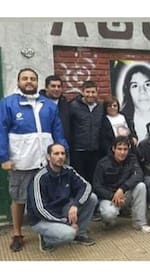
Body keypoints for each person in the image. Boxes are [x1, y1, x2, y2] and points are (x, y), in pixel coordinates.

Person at [0, 68, 68, 252]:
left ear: (37, 82)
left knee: (46, 199)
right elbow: (1, 132)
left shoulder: (48, 105)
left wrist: (63, 151)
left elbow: (58, 131)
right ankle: (17, 234)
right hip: (21, 162)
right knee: (19, 199)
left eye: (32, 79)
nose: (29, 81)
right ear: (18, 81)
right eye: (25, 78)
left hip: (46, 162)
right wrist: (4, 157)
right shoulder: (7, 104)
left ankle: (45, 234)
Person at [27, 143, 97, 252]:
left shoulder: (68, 170)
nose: (60, 156)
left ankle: (80, 234)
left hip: (63, 210)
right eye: (56, 153)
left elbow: (86, 187)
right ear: (48, 157)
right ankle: (46, 239)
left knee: (92, 198)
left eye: (63, 153)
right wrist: (65, 222)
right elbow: (40, 210)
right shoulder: (39, 178)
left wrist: (75, 205)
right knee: (69, 234)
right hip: (42, 219)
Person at [93, 136, 150, 233]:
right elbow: (97, 186)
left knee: (141, 186)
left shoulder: (132, 159)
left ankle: (140, 223)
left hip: (125, 194)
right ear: (113, 149)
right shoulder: (102, 163)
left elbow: (139, 175)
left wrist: (122, 189)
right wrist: (113, 196)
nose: (122, 152)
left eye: (125, 149)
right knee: (109, 214)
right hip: (109, 198)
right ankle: (107, 222)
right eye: (119, 149)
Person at [69, 80, 104, 184]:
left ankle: (93, 199)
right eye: (87, 92)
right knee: (79, 179)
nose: (90, 95)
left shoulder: (101, 107)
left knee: (94, 178)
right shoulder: (73, 106)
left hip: (95, 150)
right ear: (82, 92)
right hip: (78, 150)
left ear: (97, 92)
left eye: (93, 92)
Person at [39, 75, 71, 143]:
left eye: (59, 86)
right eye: (53, 86)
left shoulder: (65, 104)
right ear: (46, 88)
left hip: (62, 146)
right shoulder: (38, 104)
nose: (56, 89)